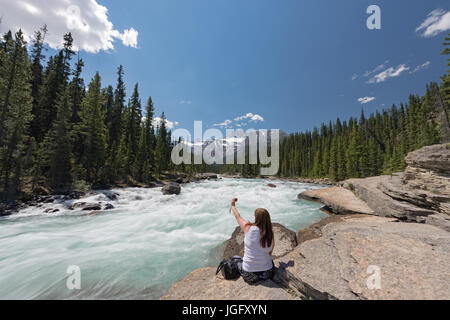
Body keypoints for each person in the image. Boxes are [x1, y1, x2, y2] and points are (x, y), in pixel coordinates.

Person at [230, 198, 276, 284]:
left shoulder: (248, 228)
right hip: (267, 273)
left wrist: (232, 205)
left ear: (256, 218)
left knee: (236, 259)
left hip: (249, 274)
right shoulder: (270, 234)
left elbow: (237, 216)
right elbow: (269, 254)